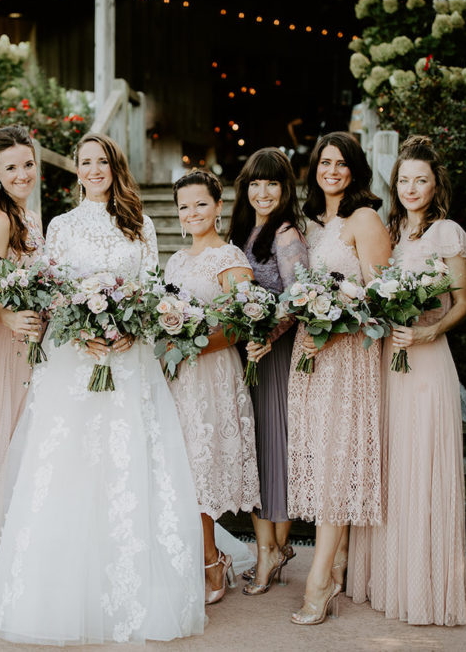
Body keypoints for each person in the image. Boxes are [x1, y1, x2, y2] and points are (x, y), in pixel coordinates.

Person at [0, 133, 205, 645]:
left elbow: (150, 287)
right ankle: (63, 591)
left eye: (102, 160)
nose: (95, 169)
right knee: (72, 464)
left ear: (114, 165)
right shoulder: (59, 225)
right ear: (75, 171)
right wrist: (79, 327)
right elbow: (53, 288)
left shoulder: (141, 223)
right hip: (74, 362)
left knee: (129, 463)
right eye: (85, 162)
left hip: (130, 361)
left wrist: (131, 329)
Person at [347, 136, 466, 626]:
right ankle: (387, 579)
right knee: (392, 462)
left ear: (435, 183)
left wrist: (427, 331)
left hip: (425, 360)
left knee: (422, 464)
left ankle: (425, 587)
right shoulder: (392, 232)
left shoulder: (447, 233)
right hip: (388, 360)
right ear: (394, 185)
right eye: (404, 180)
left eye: (421, 179)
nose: (412, 187)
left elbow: (463, 302)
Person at [286, 131, 391, 625]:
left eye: (341, 163)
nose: (332, 170)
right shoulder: (312, 224)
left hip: (348, 358)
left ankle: (319, 579)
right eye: (325, 162)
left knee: (334, 462)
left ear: (355, 170)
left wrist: (333, 325)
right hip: (310, 355)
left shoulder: (364, 219)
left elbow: (380, 299)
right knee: (321, 456)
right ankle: (340, 558)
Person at [164, 169, 259, 606]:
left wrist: (192, 346)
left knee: (201, 467)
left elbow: (241, 326)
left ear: (218, 206)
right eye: (184, 206)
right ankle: (203, 554)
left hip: (212, 372)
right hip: (176, 376)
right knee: (181, 467)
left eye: (200, 203)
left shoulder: (231, 258)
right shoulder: (176, 262)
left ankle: (209, 559)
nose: (192, 212)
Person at [225, 148, 308, 596]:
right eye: (255, 184)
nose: (262, 192)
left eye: (272, 184)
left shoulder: (286, 234)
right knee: (255, 444)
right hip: (247, 349)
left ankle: (272, 549)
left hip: (274, 353)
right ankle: (273, 547)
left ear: (285, 188)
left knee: (273, 444)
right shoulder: (243, 231)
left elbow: (299, 297)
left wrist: (267, 335)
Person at [0, 125, 45, 601]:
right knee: (5, 440)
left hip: (32, 342)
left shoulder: (30, 216)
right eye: (11, 167)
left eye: (28, 164)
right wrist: (10, 316)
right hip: (4, 343)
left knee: (26, 443)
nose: (22, 173)